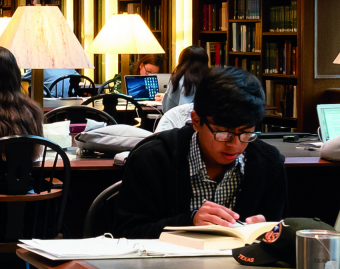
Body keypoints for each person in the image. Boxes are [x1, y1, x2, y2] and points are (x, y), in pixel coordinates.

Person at [109, 66, 288, 239]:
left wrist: (270, 231)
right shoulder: (152, 158)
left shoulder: (269, 163)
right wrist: (189, 222)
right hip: (165, 267)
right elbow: (126, 232)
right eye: (223, 133)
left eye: (246, 133)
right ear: (196, 121)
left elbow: (286, 232)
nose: (234, 145)